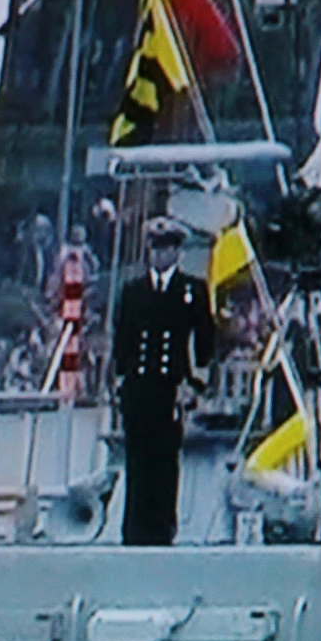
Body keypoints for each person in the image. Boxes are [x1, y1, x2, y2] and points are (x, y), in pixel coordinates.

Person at [110, 217, 214, 547]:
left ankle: (162, 527)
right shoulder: (134, 291)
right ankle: (134, 528)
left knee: (165, 461)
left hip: (171, 388)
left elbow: (205, 342)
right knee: (137, 458)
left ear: (176, 252)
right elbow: (124, 338)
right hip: (139, 387)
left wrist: (195, 384)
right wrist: (119, 380)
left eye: (165, 248)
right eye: (154, 249)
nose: (159, 255)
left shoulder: (190, 290)